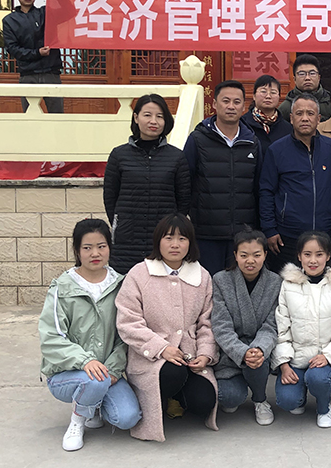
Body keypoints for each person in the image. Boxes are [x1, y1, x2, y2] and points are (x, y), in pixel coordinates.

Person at [39, 219, 141, 451]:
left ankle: (93, 403)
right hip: (67, 374)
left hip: (107, 373)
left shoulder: (121, 286)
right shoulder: (61, 287)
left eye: (101, 246)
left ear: (109, 248)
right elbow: (52, 337)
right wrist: (85, 361)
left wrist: (113, 369)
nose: (95, 253)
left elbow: (126, 335)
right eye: (87, 247)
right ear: (77, 251)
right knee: (95, 380)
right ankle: (78, 421)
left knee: (127, 418)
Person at [116, 213, 218, 442]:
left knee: (204, 402)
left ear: (190, 243)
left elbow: (207, 322)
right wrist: (161, 348)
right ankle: (157, 398)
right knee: (172, 372)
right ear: (158, 241)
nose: (175, 244)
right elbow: (128, 322)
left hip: (190, 355)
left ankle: (177, 397)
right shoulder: (139, 274)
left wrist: (205, 354)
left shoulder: (202, 276)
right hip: (150, 357)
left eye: (182, 238)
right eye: (169, 238)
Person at [272, 231, 331, 428]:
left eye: (319, 254)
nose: (313, 260)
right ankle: (299, 395)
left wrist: (328, 355)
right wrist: (284, 364)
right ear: (299, 256)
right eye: (307, 254)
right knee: (287, 401)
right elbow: (282, 329)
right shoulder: (288, 284)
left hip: (325, 357)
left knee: (318, 378)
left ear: (328, 256)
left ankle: (324, 407)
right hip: (296, 358)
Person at [104, 94, 190, 275]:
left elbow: (183, 200)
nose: (154, 121)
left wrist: (171, 228)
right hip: (128, 239)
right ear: (136, 117)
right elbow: (110, 198)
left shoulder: (176, 157)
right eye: (147, 115)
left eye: (160, 116)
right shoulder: (119, 155)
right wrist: (122, 222)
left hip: (163, 237)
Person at [184, 80, 262, 276]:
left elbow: (258, 187)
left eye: (236, 102)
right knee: (208, 285)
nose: (231, 106)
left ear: (244, 107)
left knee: (239, 287)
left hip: (243, 235)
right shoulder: (197, 140)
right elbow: (185, 182)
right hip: (206, 234)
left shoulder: (252, 142)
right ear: (214, 104)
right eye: (225, 101)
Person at [259, 94, 331, 273]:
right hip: (287, 235)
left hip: (324, 233)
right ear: (291, 118)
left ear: (318, 118)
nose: (305, 118)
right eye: (299, 113)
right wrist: (269, 229)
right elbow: (266, 191)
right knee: (289, 283)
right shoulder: (277, 150)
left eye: (310, 113)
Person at [211, 228, 282, 426]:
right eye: (244, 255)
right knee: (228, 398)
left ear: (265, 255)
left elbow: (272, 324)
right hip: (230, 352)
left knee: (256, 359)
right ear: (235, 255)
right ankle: (239, 384)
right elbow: (221, 325)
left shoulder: (275, 282)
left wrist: (258, 349)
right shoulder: (221, 280)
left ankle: (260, 399)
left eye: (256, 255)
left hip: (259, 350)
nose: (250, 261)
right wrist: (241, 352)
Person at [2, 0, 64, 113]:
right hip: (28, 74)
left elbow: (70, 11)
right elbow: (13, 49)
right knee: (30, 116)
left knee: (58, 116)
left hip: (51, 72)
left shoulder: (46, 13)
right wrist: (37, 53)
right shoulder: (10, 20)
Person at [240, 75, 293, 152]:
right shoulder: (242, 124)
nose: (268, 96)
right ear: (254, 96)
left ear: (279, 97)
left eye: (273, 92)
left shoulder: (288, 129)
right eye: (263, 91)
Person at [278, 54, 331, 122]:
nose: (307, 78)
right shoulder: (286, 107)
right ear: (294, 79)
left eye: (312, 73)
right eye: (302, 74)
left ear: (319, 77)